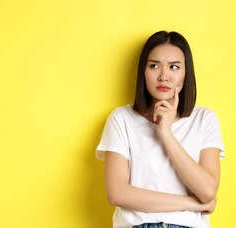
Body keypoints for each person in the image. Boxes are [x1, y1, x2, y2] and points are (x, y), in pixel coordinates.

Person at [96, 31, 225, 228]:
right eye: (154, 66)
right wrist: (191, 203)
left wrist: (166, 134)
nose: (164, 76)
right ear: (143, 72)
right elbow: (116, 193)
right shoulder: (122, 119)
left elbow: (207, 190)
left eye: (174, 67)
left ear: (186, 73)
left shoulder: (204, 119)